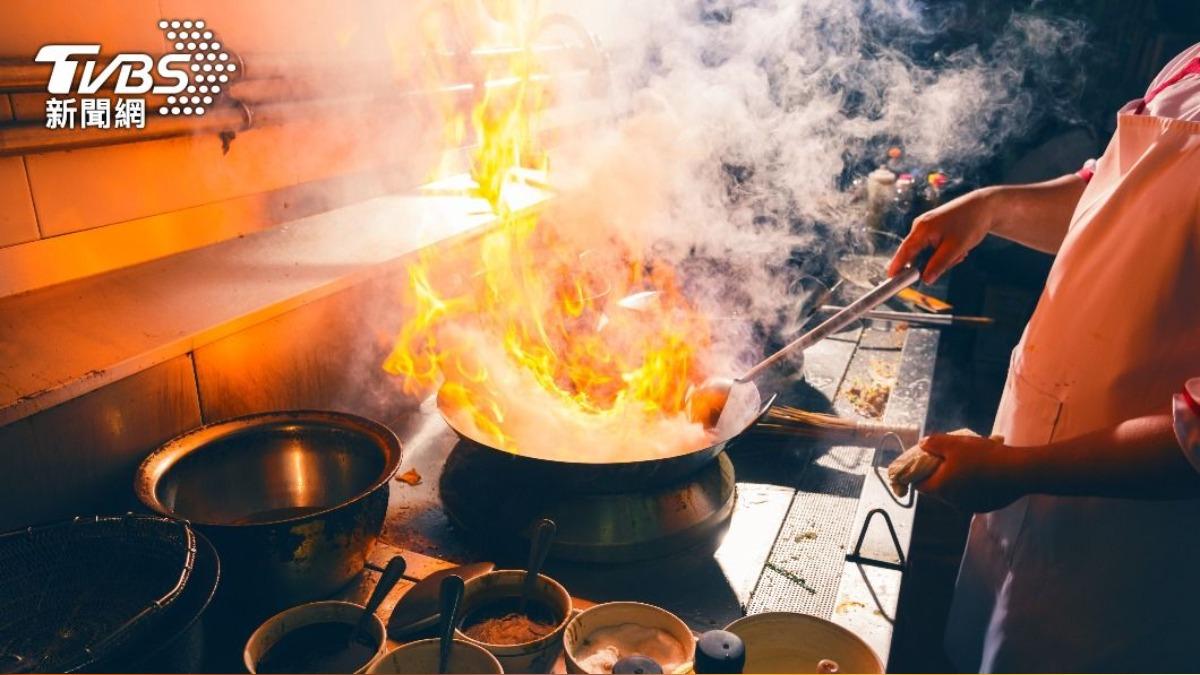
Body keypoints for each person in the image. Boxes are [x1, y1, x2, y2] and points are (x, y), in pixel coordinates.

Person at [886, 43, 1200, 672]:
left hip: (1126, 543)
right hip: (1034, 441)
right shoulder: (1190, 64)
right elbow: (1105, 200)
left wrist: (1023, 471)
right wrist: (992, 207)